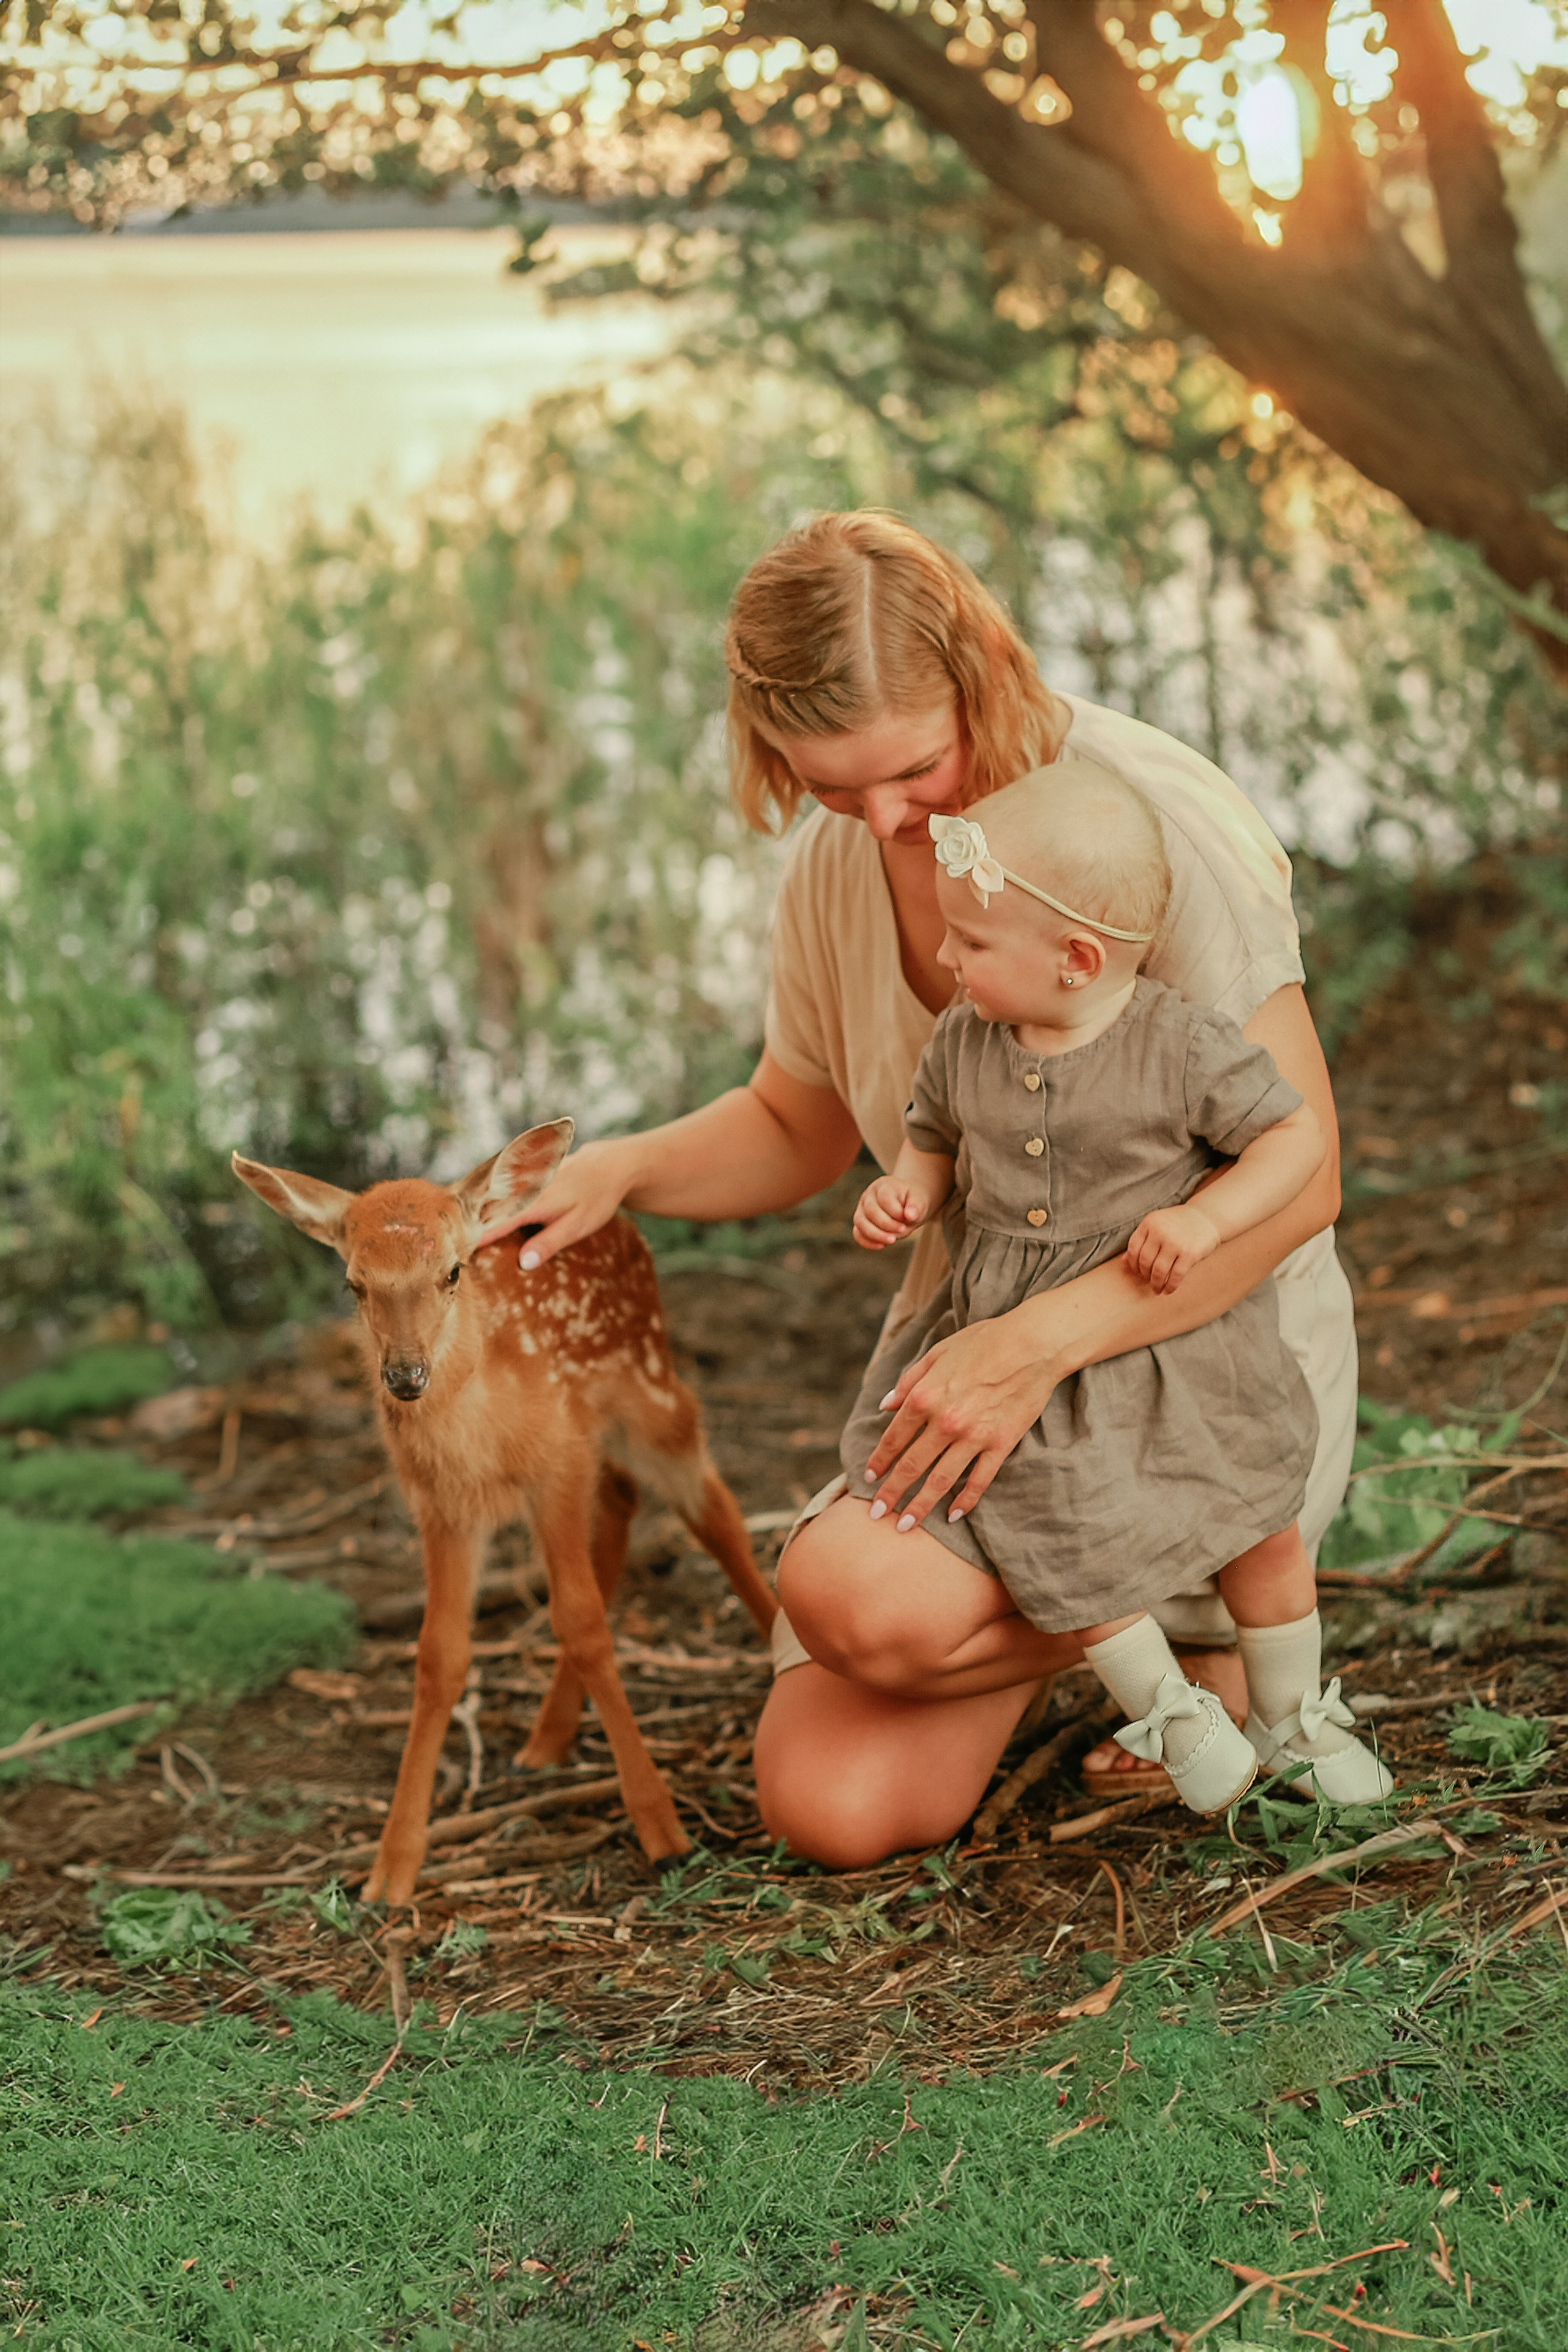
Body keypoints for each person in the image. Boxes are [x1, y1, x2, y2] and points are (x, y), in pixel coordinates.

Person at [484, 511, 1356, 1868]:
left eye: (909, 770)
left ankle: (1225, 1623)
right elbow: (797, 1121)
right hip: (991, 1379)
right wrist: (624, 1169)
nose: (886, 822)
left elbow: (1299, 1182)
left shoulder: (1140, 825)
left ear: (978, 678)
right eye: (829, 788)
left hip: (1189, 1355)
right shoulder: (843, 861)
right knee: (830, 1809)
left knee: (864, 1603)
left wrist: (1034, 1346)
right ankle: (1157, 1658)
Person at [842, 766, 1390, 1810]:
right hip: (1027, 1351)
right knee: (1065, 1529)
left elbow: (1294, 1139)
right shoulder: (967, 1039)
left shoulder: (1179, 1044)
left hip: (1178, 1343)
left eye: (971, 942)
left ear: (1076, 960)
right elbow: (931, 1133)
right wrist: (906, 1192)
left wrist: (1206, 1217)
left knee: (1258, 1518)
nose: (946, 958)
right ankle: (1173, 1714)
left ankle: (1292, 1716)